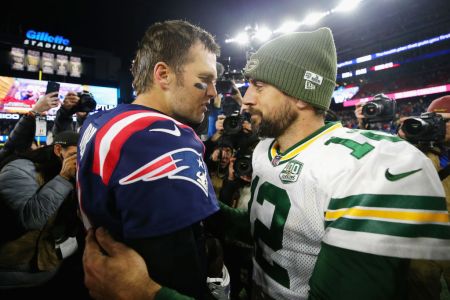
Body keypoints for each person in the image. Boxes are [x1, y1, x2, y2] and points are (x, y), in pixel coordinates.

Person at [83, 28, 450, 299]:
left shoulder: (373, 168)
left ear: (303, 97)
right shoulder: (266, 151)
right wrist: (203, 208)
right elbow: (272, 228)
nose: (245, 99)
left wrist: (148, 294)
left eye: (259, 86)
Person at [77, 20, 220, 299]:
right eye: (205, 79)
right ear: (163, 74)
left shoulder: (101, 120)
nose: (213, 93)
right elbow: (179, 278)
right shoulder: (160, 139)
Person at [0, 130, 79, 289]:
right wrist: (63, 178)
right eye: (75, 154)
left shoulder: (76, 172)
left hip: (50, 267)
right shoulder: (19, 170)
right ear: (58, 150)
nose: (80, 160)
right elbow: (30, 219)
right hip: (13, 274)